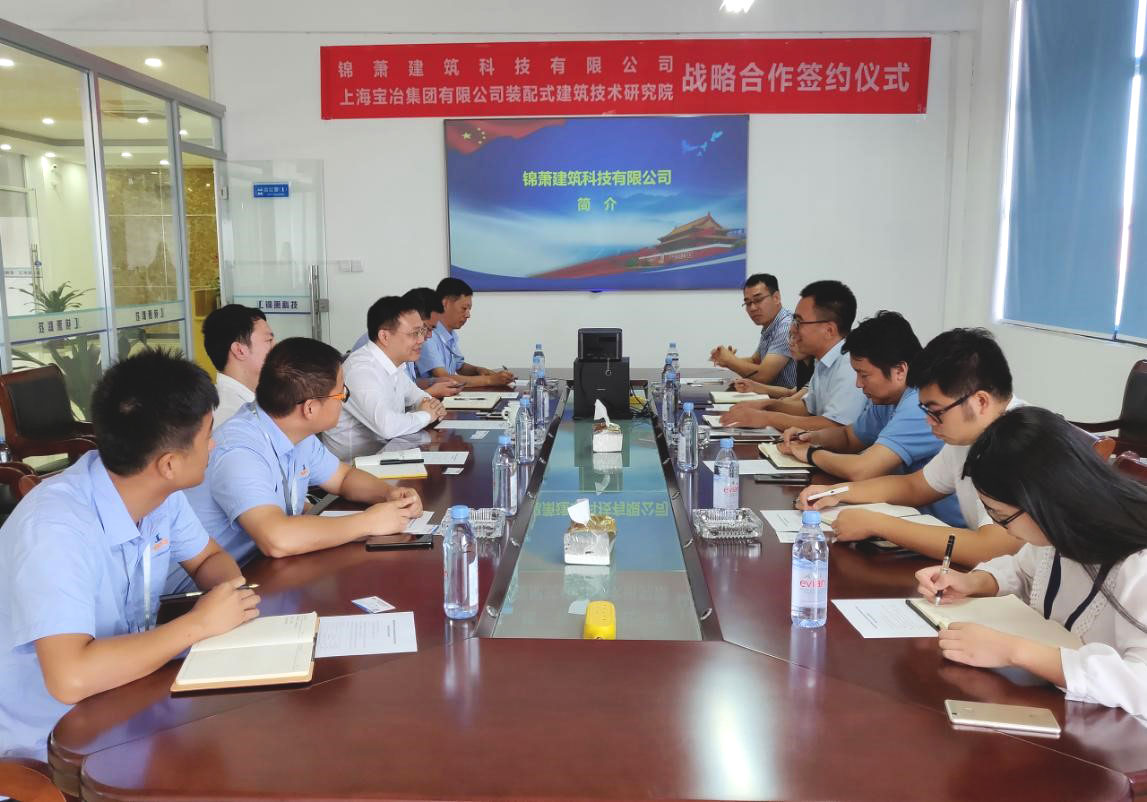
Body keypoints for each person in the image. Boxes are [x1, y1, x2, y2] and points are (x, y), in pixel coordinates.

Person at [0, 351, 259, 761]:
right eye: (207, 435)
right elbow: (70, 677)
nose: (213, 444)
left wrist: (230, 595)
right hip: (49, 747)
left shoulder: (158, 493)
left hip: (124, 703)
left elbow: (209, 559)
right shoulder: (55, 528)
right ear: (169, 464)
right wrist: (200, 624)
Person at [916, 407, 1147, 717]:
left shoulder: (1139, 563)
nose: (999, 526)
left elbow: (1140, 682)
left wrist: (1014, 651)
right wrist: (974, 582)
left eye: (1001, 515)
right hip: (1065, 707)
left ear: (1044, 500)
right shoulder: (1064, 528)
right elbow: (1025, 572)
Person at [168, 337, 423, 593]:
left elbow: (343, 478)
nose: (344, 400)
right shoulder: (239, 450)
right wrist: (368, 523)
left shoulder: (294, 431)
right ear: (310, 408)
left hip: (260, 572)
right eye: (341, 394)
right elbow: (276, 538)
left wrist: (388, 493)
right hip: (198, 594)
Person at [798, 328, 1024, 565]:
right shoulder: (970, 435)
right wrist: (835, 493)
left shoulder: (1018, 446)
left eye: (936, 412)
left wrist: (878, 524)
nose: (929, 421)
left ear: (980, 401)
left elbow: (990, 548)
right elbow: (914, 486)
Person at [778, 311, 963, 526]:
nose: (858, 384)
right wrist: (812, 437)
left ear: (899, 370)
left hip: (943, 527)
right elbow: (850, 437)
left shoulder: (919, 406)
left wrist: (811, 454)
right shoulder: (887, 399)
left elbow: (863, 469)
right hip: (910, 516)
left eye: (864, 375)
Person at [720, 279, 865, 432]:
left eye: (799, 322)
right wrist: (766, 405)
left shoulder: (850, 364)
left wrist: (767, 417)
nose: (793, 329)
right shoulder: (823, 360)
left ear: (829, 330)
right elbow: (807, 408)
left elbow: (835, 426)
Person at [324, 296, 447, 461]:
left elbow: (420, 397)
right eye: (414, 333)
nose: (421, 340)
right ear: (385, 337)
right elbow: (387, 427)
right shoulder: (361, 370)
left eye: (422, 331)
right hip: (354, 468)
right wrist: (426, 415)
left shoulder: (394, 365)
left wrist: (429, 407)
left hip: (387, 456)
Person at [416, 277, 514, 387]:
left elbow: (459, 366)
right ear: (445, 304)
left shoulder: (450, 334)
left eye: (469, 309)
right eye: (464, 308)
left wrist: (477, 370)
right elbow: (443, 377)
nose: (468, 315)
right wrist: (489, 380)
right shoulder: (428, 335)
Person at [709, 273, 797, 387]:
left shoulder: (786, 327)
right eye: (748, 303)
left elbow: (764, 376)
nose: (752, 308)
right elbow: (755, 360)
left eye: (758, 300)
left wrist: (730, 361)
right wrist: (727, 360)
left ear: (776, 298)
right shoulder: (771, 325)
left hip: (790, 397)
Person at [202, 304, 275, 430]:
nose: (276, 347)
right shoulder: (230, 417)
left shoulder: (253, 402)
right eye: (269, 340)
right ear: (239, 350)